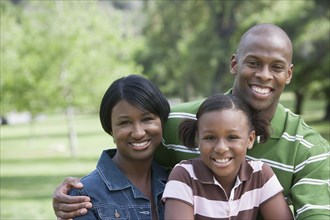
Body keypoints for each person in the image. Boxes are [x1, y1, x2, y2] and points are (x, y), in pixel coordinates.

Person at [53, 24, 330, 220]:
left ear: (289, 74)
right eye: (253, 63)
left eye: (277, 67)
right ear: (235, 64)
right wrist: (79, 195)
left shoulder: (309, 151)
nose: (264, 75)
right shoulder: (177, 123)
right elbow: (130, 158)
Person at [162, 94, 293, 220]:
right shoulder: (184, 176)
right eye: (210, 137)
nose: (221, 148)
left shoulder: (260, 174)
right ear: (198, 138)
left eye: (232, 137)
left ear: (250, 139)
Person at [65, 74, 170, 220]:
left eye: (147, 119)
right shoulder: (84, 195)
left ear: (162, 121)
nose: (138, 133)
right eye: (125, 122)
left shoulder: (178, 180)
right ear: (110, 130)